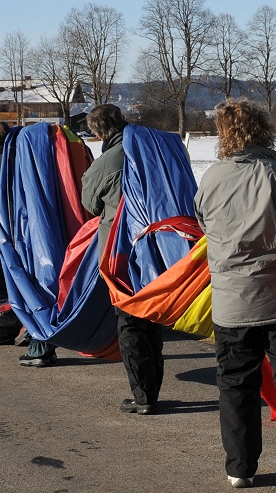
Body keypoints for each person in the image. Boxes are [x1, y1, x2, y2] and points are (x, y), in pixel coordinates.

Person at [194, 98, 276, 491]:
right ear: (263, 129)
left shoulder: (211, 178)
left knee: (234, 384)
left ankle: (240, 467)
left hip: (230, 303)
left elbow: (204, 225)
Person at [81, 103, 164, 414]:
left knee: (129, 321)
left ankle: (143, 396)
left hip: (122, 251)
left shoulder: (107, 161)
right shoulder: (150, 148)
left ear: (101, 132)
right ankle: (152, 389)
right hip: (157, 245)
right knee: (153, 317)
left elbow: (89, 203)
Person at [0, 121, 57, 367]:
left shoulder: (0, 162)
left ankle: (40, 346)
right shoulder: (41, 153)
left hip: (20, 233)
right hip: (47, 228)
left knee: (28, 285)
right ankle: (40, 338)